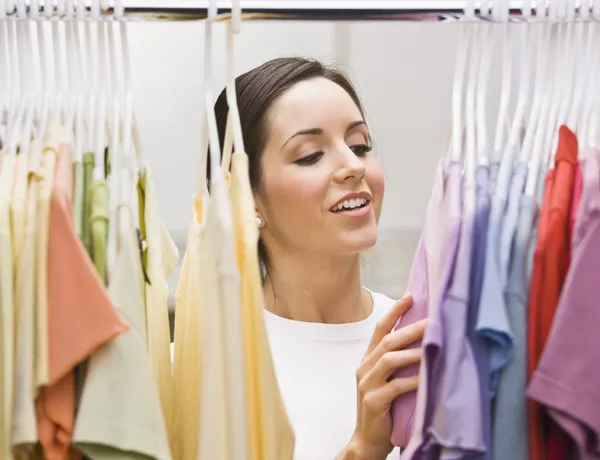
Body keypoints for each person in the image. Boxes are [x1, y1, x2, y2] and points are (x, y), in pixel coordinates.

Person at [210, 57, 426, 460]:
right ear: (246, 198)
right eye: (310, 155)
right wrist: (363, 449)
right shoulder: (200, 367)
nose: (352, 166)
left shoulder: (417, 343)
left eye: (360, 145)